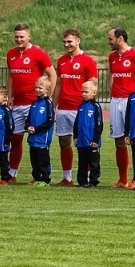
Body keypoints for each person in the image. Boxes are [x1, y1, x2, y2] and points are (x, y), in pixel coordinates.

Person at [5, 23, 53, 181]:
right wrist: (9, 96)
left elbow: (52, 74)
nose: (19, 39)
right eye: (16, 37)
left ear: (29, 37)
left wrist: (47, 98)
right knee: (15, 138)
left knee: (36, 141)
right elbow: (11, 76)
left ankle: (38, 174)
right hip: (17, 103)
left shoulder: (38, 53)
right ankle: (13, 173)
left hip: (34, 103)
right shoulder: (11, 53)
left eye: (22, 37)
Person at [106, 28, 135, 188]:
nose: (108, 41)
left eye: (110, 38)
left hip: (130, 100)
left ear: (120, 39)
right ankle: (122, 179)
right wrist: (111, 88)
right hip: (115, 100)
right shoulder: (112, 56)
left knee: (134, 140)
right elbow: (111, 74)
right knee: (119, 140)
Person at [54, 29, 100, 186]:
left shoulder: (88, 61)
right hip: (63, 108)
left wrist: (90, 107)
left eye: (70, 41)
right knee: (64, 142)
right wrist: (54, 106)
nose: (67, 44)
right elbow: (59, 84)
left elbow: (93, 85)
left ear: (78, 41)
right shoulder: (61, 60)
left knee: (84, 143)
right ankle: (67, 178)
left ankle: (87, 176)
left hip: (79, 109)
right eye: (64, 42)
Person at [25, 75, 56, 188]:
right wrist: (28, 126)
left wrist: (36, 129)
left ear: (47, 89)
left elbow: (49, 121)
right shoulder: (34, 103)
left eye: (40, 88)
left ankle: (45, 179)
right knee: (34, 160)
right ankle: (37, 178)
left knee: (43, 160)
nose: (37, 90)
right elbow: (28, 119)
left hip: (43, 138)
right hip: (33, 138)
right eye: (36, 87)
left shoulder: (48, 104)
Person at [74, 80, 103, 187]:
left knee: (93, 162)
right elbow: (77, 123)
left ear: (94, 93)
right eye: (82, 92)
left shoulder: (96, 107)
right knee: (82, 162)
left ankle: (93, 181)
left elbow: (99, 124)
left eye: (86, 92)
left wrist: (96, 139)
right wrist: (76, 136)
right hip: (81, 140)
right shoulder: (81, 106)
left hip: (91, 141)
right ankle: (82, 181)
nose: (83, 94)